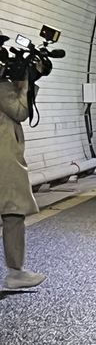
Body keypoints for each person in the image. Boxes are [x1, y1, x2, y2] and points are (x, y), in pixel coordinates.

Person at [0, 74, 45, 290]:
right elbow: (19, 111)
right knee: (13, 210)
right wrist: (26, 82)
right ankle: (16, 273)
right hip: (4, 158)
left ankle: (16, 272)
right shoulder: (1, 86)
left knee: (11, 211)